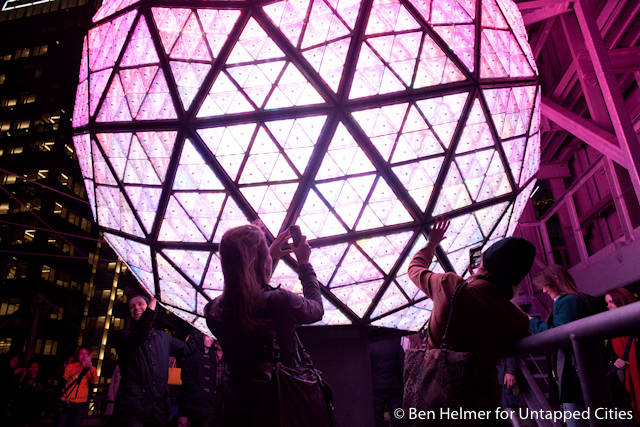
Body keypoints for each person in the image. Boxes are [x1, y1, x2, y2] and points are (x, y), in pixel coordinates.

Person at [205, 224, 324, 427]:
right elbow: (316, 309)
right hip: (281, 406)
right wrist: (304, 263)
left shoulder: (214, 310)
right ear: (259, 261)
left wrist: (268, 254)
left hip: (236, 409)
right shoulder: (280, 300)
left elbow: (248, 293)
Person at [407, 218, 535, 408]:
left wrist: (432, 243)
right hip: (481, 403)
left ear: (483, 264)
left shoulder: (450, 286)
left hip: (437, 399)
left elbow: (414, 269)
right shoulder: (518, 320)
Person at [112, 294, 196, 427]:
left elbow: (188, 348)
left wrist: (194, 322)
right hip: (133, 411)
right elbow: (141, 335)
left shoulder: (163, 338)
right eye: (132, 306)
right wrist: (153, 302)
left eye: (140, 304)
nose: (136, 307)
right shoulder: (124, 337)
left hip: (159, 410)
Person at [529, 264, 592, 427]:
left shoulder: (566, 301)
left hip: (573, 375)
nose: (543, 291)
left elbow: (558, 335)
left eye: (545, 285)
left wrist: (532, 323)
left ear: (555, 280)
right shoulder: (576, 299)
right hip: (579, 372)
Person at [605, 288, 639, 423]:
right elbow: (609, 354)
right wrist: (614, 360)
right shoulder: (612, 328)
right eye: (607, 303)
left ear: (622, 300)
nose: (608, 306)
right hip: (627, 384)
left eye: (611, 302)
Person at [177, 332, 218, 427]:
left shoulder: (212, 356)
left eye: (212, 337)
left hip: (205, 403)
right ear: (202, 336)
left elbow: (212, 380)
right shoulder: (193, 353)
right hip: (191, 401)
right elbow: (186, 377)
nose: (210, 339)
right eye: (208, 336)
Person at [57, 347, 98, 427]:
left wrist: (90, 367)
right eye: (81, 353)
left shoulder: (91, 368)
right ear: (78, 356)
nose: (83, 356)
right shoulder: (71, 366)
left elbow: (94, 380)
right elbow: (65, 376)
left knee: (76, 424)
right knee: (61, 423)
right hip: (67, 399)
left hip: (81, 402)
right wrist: (80, 367)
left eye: (85, 354)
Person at [370, 337, 404, 427]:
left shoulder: (371, 346)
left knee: (378, 420)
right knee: (398, 418)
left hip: (377, 387)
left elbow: (368, 368)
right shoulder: (397, 346)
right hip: (395, 387)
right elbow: (402, 368)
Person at [15, 361, 45, 426]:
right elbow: (19, 386)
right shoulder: (26, 376)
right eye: (31, 367)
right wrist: (23, 376)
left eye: (35, 367)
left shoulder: (41, 378)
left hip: (35, 406)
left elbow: (42, 389)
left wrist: (34, 384)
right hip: (23, 405)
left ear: (38, 368)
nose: (32, 368)